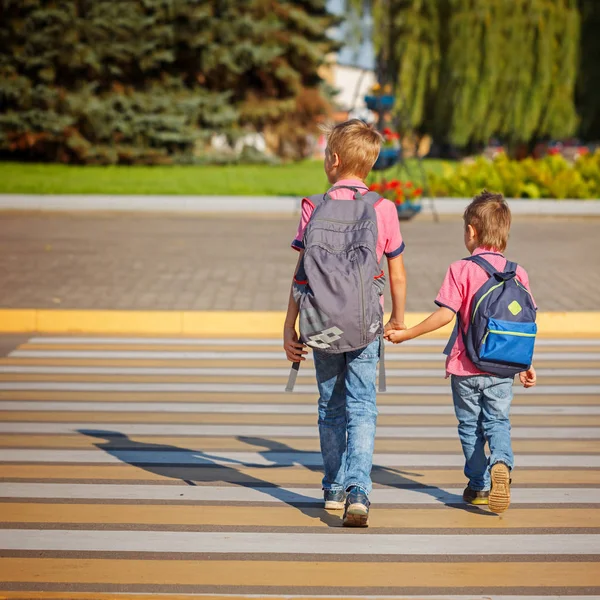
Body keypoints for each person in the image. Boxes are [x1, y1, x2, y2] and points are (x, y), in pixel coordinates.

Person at [283, 119, 408, 527]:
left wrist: (290, 326)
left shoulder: (312, 206)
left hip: (321, 326)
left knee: (329, 407)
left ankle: (333, 489)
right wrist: (399, 319)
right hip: (366, 324)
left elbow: (301, 274)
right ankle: (359, 490)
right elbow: (397, 274)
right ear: (369, 164)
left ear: (333, 160)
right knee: (362, 407)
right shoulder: (383, 208)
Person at [385, 191, 537, 514]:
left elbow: (445, 315)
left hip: (465, 368)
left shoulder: (461, 269)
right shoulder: (518, 273)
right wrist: (526, 363)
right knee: (498, 421)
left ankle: (479, 484)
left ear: (471, 232)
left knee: (469, 427)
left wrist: (407, 333)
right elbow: (520, 325)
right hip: (503, 367)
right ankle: (502, 463)